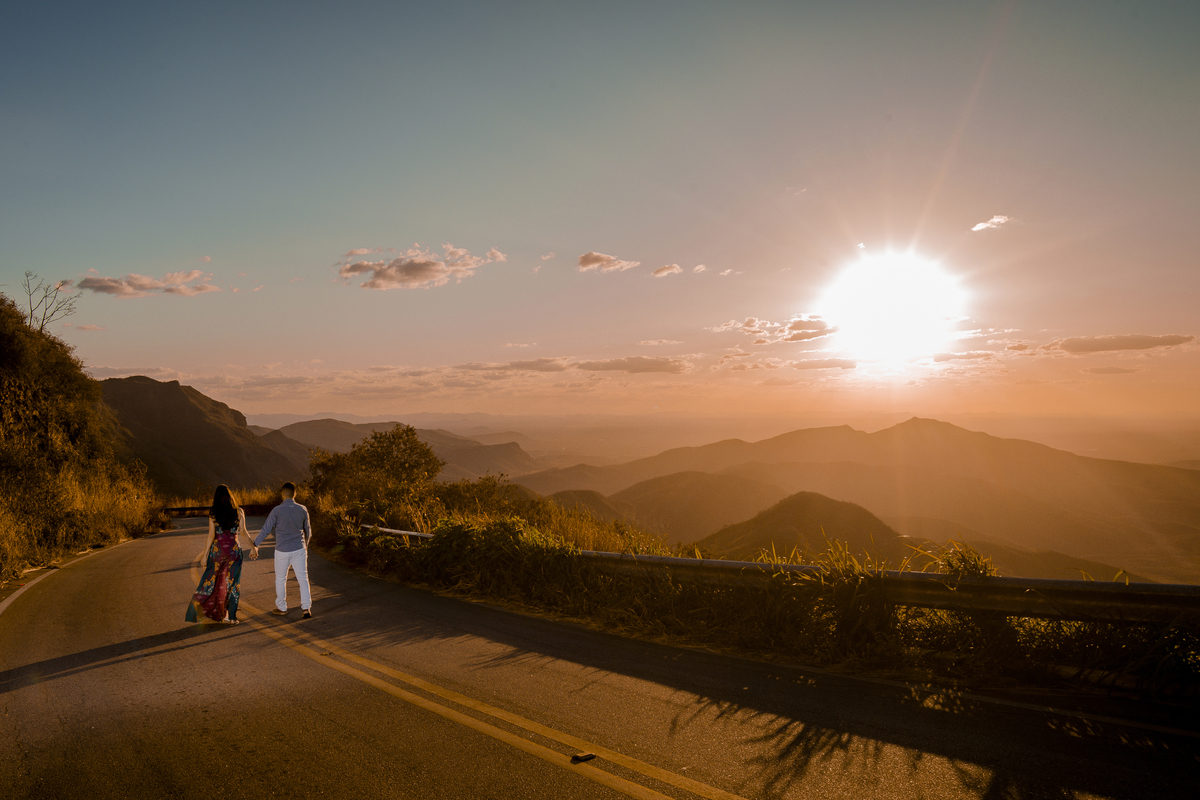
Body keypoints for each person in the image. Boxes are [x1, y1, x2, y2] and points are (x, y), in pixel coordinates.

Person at [186, 485, 258, 624]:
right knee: (233, 584)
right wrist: (253, 547)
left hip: (217, 552)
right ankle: (231, 617)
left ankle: (212, 612)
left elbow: (211, 535)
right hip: (234, 553)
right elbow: (243, 531)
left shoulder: (214, 513)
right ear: (231, 496)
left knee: (214, 582)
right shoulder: (239, 511)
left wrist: (205, 555)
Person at [255, 482, 314, 618]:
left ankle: (282, 608)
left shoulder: (277, 510)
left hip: (282, 550)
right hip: (299, 549)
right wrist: (305, 545)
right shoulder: (303, 509)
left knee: (281, 579)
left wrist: (255, 545)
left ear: (283, 494)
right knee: (303, 578)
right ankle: (306, 608)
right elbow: (308, 531)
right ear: (295, 494)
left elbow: (266, 529)